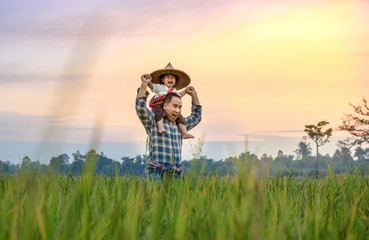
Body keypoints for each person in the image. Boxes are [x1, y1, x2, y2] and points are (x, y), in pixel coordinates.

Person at [136, 63, 202, 180]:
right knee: (155, 198)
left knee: (175, 198)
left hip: (175, 175)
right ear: (165, 106)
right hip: (155, 174)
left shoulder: (180, 124)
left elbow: (196, 117)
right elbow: (140, 108)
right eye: (175, 106)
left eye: (180, 107)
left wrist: (193, 95)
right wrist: (144, 85)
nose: (178, 110)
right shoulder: (153, 120)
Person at [143, 63, 194, 139]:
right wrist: (148, 81)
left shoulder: (174, 91)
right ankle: (160, 127)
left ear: (175, 80)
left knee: (180, 117)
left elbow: (178, 96)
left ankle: (184, 133)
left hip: (169, 109)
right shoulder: (160, 87)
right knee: (159, 112)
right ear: (163, 80)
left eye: (173, 77)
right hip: (159, 106)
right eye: (168, 77)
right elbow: (152, 87)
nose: (170, 79)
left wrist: (185, 91)